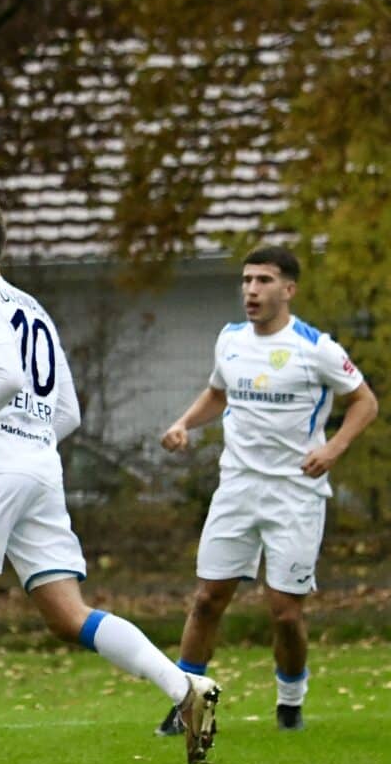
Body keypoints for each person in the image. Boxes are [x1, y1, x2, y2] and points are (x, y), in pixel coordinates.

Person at [0, 195, 220, 764]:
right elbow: (68, 412)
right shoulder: (32, 308)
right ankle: (183, 685)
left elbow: (6, 376)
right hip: (39, 467)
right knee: (68, 614)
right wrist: (30, 440)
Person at [157, 244, 376, 733]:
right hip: (236, 488)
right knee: (207, 600)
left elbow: (365, 402)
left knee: (284, 614)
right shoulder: (230, 340)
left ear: (288, 289)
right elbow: (218, 392)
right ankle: (187, 705)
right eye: (247, 280)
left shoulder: (316, 348)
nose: (251, 290)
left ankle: (290, 702)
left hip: (295, 494)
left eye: (263, 280)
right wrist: (184, 423)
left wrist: (333, 449)